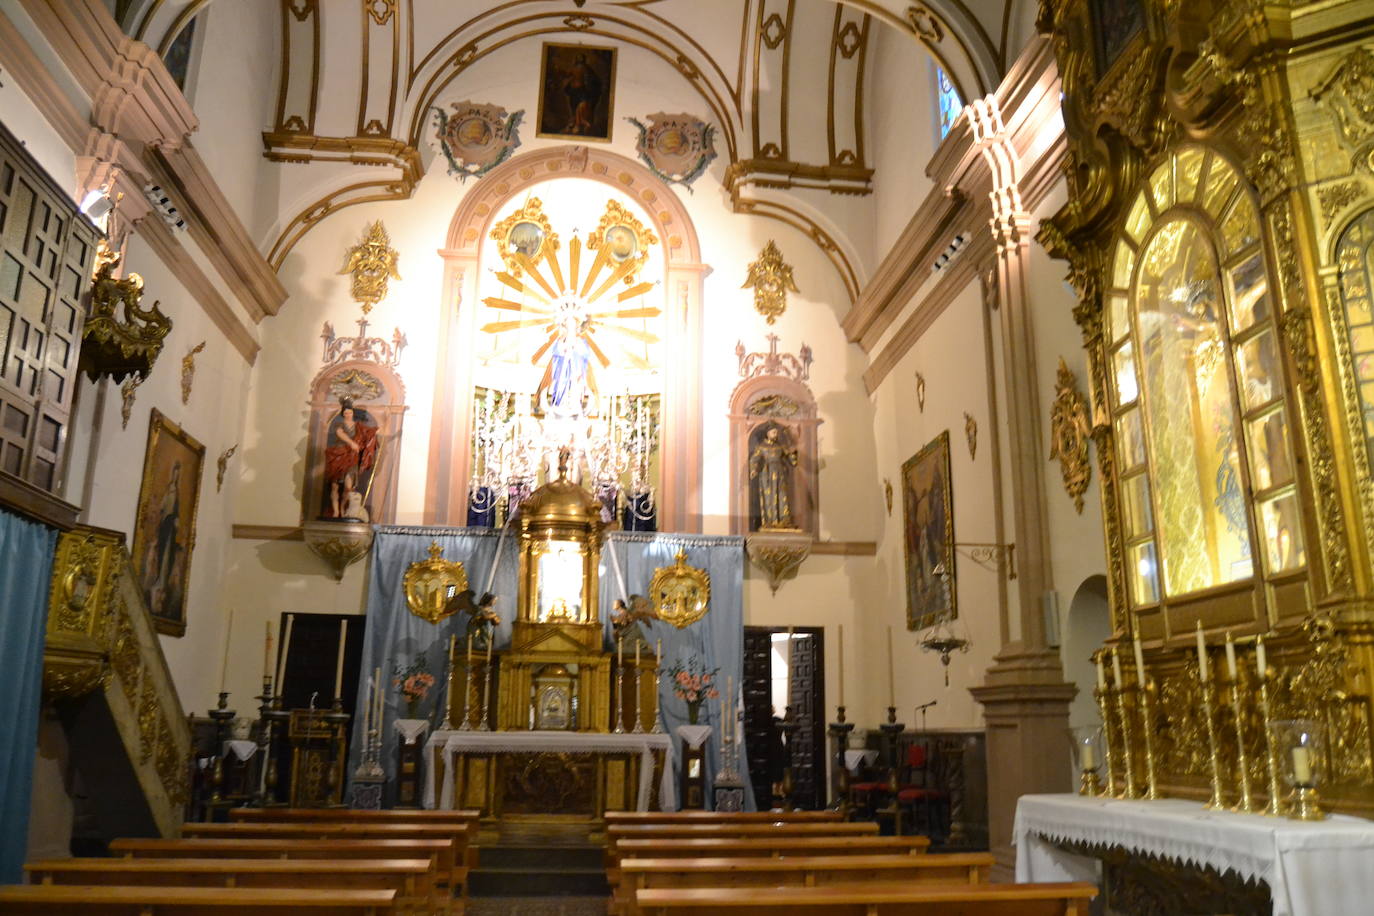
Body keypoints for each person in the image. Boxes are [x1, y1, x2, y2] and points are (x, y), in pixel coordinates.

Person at [322, 399, 378, 519]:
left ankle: (343, 508)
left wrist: (383, 427)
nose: (348, 415)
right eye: (346, 413)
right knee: (335, 486)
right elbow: (340, 433)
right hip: (338, 455)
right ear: (343, 414)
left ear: (353, 413)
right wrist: (351, 443)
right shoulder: (339, 424)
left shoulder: (358, 426)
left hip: (352, 457)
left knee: (348, 488)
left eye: (350, 412)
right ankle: (336, 511)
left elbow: (370, 433)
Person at [749, 425, 799, 529]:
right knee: (769, 496)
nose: (776, 435)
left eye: (776, 432)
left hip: (780, 473)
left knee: (782, 495)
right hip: (767, 473)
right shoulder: (761, 447)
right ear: (768, 434)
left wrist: (793, 453)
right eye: (773, 432)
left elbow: (792, 460)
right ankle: (770, 520)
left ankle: (784, 520)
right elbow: (754, 459)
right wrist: (754, 469)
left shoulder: (780, 446)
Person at [560, 53, 602, 135]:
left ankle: (581, 124)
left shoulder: (586, 68)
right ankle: (575, 123)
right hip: (574, 91)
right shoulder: (575, 68)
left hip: (581, 91)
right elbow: (567, 75)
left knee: (580, 107)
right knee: (574, 107)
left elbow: (591, 79)